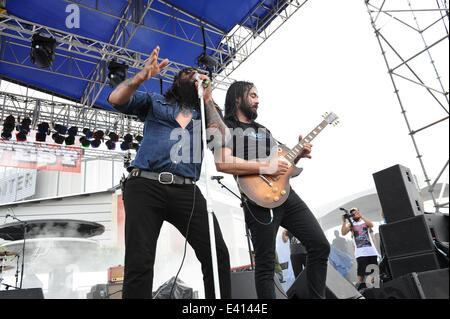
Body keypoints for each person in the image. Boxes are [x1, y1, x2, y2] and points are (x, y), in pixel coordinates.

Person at [107, 46, 231, 299]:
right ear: (176, 81)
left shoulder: (203, 112)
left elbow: (223, 139)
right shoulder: (156, 102)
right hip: (146, 185)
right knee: (139, 261)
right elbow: (116, 99)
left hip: (187, 189)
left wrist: (207, 100)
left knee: (217, 254)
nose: (194, 74)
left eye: (197, 73)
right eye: (188, 73)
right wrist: (142, 76)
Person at [214, 81, 330, 299]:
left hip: (287, 195)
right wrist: (267, 167)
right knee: (266, 265)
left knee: (320, 245)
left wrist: (298, 154)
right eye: (253, 95)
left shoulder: (263, 129)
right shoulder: (226, 126)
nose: (258, 100)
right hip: (258, 200)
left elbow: (280, 160)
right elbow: (223, 163)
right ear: (238, 98)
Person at [341, 207, 379, 288]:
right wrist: (344, 222)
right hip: (361, 254)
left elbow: (371, 225)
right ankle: (360, 292)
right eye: (353, 213)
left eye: (356, 212)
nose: (355, 214)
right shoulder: (351, 225)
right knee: (361, 276)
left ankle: (374, 291)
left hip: (371, 252)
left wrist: (361, 216)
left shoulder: (364, 222)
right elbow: (343, 233)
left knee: (374, 275)